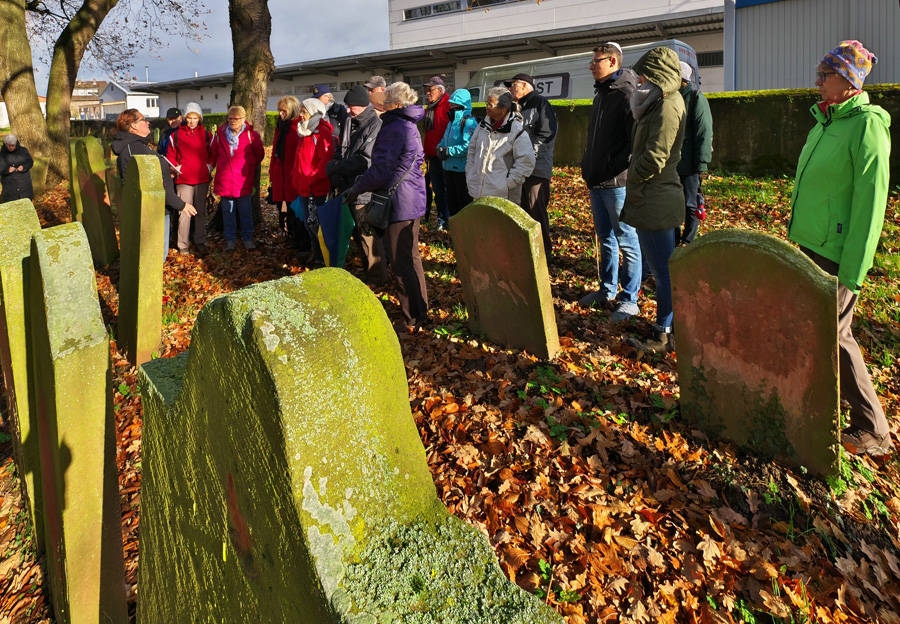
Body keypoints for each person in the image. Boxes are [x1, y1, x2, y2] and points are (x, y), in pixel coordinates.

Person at [789, 40, 893, 456]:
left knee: (834, 333)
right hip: (807, 243)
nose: (817, 82)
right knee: (815, 331)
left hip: (835, 253)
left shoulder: (866, 125)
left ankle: (873, 429)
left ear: (849, 82)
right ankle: (814, 403)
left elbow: (872, 203)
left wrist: (853, 270)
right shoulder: (824, 121)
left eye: (825, 75)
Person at [344, 82, 429, 331]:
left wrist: (357, 188)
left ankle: (413, 316)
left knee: (402, 261)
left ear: (397, 104)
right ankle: (419, 309)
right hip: (411, 198)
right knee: (411, 257)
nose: (383, 103)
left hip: (400, 201)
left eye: (387, 100)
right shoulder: (408, 124)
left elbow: (381, 170)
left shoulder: (394, 127)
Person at [619, 46, 686, 354]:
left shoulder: (669, 105)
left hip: (656, 196)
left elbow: (656, 157)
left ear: (659, 74)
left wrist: (632, 172)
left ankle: (664, 333)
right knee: (662, 272)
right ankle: (666, 326)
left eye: (646, 72)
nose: (640, 78)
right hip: (650, 195)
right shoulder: (658, 101)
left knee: (664, 274)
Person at [577, 42, 642, 322]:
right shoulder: (602, 93)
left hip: (616, 183)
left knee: (627, 240)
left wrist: (611, 169)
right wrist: (588, 164)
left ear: (613, 62)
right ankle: (607, 289)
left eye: (596, 61)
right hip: (597, 180)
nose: (592, 65)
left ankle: (629, 300)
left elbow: (634, 142)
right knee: (605, 239)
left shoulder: (626, 93)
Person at [112, 109, 197, 262]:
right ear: (133, 127)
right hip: (151, 209)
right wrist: (181, 205)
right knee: (155, 256)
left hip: (156, 207)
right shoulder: (136, 149)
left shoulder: (138, 145)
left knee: (157, 254)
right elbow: (151, 184)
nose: (147, 122)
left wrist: (167, 173)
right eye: (143, 120)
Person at [326, 85, 388, 285]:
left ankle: (378, 278)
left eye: (350, 106)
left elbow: (365, 160)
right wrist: (336, 168)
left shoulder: (374, 125)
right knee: (356, 235)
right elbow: (342, 149)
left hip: (363, 190)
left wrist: (337, 167)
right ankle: (369, 273)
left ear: (362, 106)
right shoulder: (350, 121)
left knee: (368, 236)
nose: (347, 110)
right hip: (348, 188)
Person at [507, 72, 558, 258]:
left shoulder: (540, 103)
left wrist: (527, 157)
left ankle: (544, 252)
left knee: (536, 209)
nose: (510, 89)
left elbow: (546, 136)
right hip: (519, 168)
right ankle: (527, 250)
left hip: (536, 169)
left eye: (513, 85)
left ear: (525, 86)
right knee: (522, 210)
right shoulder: (516, 107)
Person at [465, 86, 535, 206]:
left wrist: (506, 184)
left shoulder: (516, 130)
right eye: (486, 103)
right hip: (478, 192)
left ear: (504, 108)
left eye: (491, 105)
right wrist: (470, 173)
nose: (487, 108)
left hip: (503, 197)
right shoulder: (482, 125)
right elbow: (472, 150)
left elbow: (526, 162)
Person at [209, 105, 264, 251]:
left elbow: (260, 155)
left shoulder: (251, 135)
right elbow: (213, 154)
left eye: (236, 118)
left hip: (243, 181)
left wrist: (248, 166)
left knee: (245, 212)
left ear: (243, 119)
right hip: (225, 181)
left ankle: (247, 238)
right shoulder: (220, 134)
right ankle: (230, 240)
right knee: (228, 212)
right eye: (230, 118)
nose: (232, 121)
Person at [165, 102, 212, 255]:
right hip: (184, 180)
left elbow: (214, 154)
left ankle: (200, 240)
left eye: (195, 118)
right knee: (184, 212)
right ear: (185, 118)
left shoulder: (207, 135)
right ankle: (183, 244)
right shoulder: (176, 135)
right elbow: (170, 157)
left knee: (200, 211)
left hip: (202, 178)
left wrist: (209, 167)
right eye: (189, 118)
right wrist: (176, 169)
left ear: (200, 119)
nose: (192, 121)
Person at [292, 97, 334, 264]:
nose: (301, 115)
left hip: (316, 188)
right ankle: (317, 254)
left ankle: (323, 258)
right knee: (310, 225)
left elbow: (325, 161)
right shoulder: (303, 131)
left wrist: (312, 178)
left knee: (319, 226)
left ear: (314, 112)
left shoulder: (321, 131)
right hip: (304, 187)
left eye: (304, 111)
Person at [676, 62, 713, 245]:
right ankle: (674, 238)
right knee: (674, 204)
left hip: (689, 164)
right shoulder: (670, 98)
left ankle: (688, 240)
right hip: (673, 164)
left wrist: (701, 164)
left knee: (691, 204)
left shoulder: (696, 98)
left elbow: (703, 132)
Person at [435, 88, 478, 218]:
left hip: (461, 171)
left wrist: (449, 151)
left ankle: (466, 235)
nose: (451, 106)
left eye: (454, 104)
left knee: (464, 205)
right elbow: (445, 139)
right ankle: (454, 234)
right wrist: (440, 147)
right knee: (452, 204)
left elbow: (469, 146)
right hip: (448, 169)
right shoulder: (452, 121)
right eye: (451, 103)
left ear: (463, 105)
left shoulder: (469, 122)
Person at [270, 96, 303, 242]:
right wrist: (272, 175)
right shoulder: (280, 127)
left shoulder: (299, 128)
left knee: (293, 210)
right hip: (279, 175)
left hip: (292, 176)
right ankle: (288, 235)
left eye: (284, 111)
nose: (280, 114)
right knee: (281, 209)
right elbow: (274, 154)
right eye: (279, 110)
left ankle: (296, 238)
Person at [422, 76, 451, 229]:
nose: (427, 93)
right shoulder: (430, 108)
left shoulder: (448, 105)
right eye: (426, 90)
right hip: (433, 156)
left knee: (447, 190)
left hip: (445, 156)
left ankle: (449, 219)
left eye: (430, 89)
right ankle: (442, 219)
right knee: (438, 190)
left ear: (440, 90)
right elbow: (428, 132)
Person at [0, 135, 34, 203]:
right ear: (5, 144)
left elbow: (30, 162)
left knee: (26, 203)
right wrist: (7, 170)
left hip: (24, 184)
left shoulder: (23, 151)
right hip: (9, 187)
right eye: (9, 146)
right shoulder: (1, 155)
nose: (11, 147)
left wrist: (23, 167)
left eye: (13, 145)